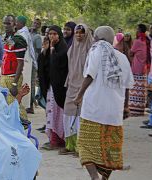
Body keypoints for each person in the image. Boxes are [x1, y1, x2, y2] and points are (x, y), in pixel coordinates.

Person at [74, 26, 134, 180]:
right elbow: (127, 86)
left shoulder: (96, 50)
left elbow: (90, 75)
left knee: (86, 145)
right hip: (113, 112)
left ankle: (94, 176)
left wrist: (79, 95)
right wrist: (126, 106)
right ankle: (104, 178)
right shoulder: (122, 58)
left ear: (97, 37)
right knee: (109, 149)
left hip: (93, 109)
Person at [60, 24, 93, 155]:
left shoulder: (91, 49)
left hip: (86, 86)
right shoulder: (72, 47)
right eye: (77, 32)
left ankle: (81, 147)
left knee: (81, 115)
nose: (79, 35)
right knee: (68, 113)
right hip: (72, 84)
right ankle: (70, 145)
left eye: (82, 32)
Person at [38, 25, 68, 150]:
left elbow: (61, 66)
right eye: (50, 34)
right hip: (50, 87)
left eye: (54, 34)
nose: (52, 36)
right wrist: (45, 52)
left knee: (58, 113)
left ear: (59, 35)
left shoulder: (63, 48)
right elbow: (43, 66)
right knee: (50, 113)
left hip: (60, 88)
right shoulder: (48, 48)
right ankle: (53, 139)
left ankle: (60, 139)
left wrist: (52, 51)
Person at [0, 15, 28, 123]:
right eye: (4, 23)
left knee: (14, 104)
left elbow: (20, 63)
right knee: (6, 104)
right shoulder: (9, 38)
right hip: (4, 75)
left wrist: (15, 84)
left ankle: (23, 124)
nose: (6, 26)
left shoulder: (19, 40)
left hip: (13, 78)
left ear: (14, 24)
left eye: (8, 23)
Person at [16, 16, 36, 114]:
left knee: (24, 84)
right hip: (25, 62)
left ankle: (24, 107)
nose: (15, 24)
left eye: (16, 22)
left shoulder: (23, 34)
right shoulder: (22, 32)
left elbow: (19, 48)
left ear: (21, 23)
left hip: (24, 62)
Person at [129, 24, 150, 117]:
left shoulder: (137, 41)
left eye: (137, 29)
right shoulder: (147, 40)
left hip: (136, 67)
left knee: (135, 88)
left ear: (139, 30)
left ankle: (134, 110)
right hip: (144, 68)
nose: (136, 31)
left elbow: (131, 52)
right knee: (141, 89)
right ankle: (140, 109)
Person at [27, 18, 42, 114]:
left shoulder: (37, 37)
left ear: (39, 26)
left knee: (32, 84)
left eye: (37, 24)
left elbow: (39, 50)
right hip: (26, 63)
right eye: (34, 23)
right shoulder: (28, 34)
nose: (35, 25)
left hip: (33, 63)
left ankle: (31, 105)